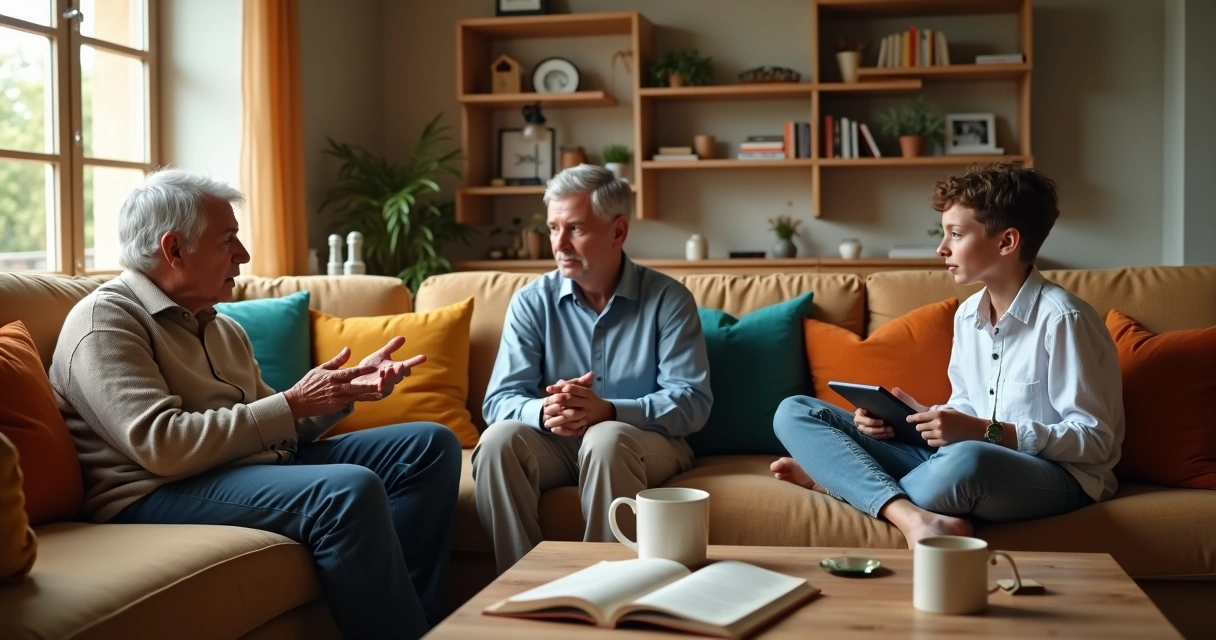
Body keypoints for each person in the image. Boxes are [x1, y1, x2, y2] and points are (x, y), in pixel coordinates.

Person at [50, 170, 460, 640]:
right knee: (347, 490)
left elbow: (274, 424)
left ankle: (419, 625)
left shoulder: (220, 325)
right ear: (174, 249)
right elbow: (163, 446)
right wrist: (293, 402)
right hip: (151, 492)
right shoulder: (106, 322)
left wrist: (337, 394)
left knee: (428, 446)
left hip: (235, 467)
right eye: (228, 240)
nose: (243, 254)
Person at [769, 162, 1124, 548]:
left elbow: (1095, 440)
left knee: (967, 461)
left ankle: (838, 480)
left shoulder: (1064, 319)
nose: (942, 248)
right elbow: (965, 407)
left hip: (1053, 476)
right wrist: (915, 417)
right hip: (955, 460)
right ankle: (911, 516)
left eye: (955, 234)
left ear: (1006, 242)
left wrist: (984, 432)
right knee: (795, 411)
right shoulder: (968, 314)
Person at [473, 164, 712, 574]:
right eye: (553, 228)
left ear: (618, 231)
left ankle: (605, 586)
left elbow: (692, 402)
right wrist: (544, 411)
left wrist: (610, 410)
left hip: (643, 443)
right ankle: (523, 585)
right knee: (497, 441)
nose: (559, 243)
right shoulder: (532, 302)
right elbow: (499, 401)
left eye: (575, 228)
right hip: (556, 444)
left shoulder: (668, 299)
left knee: (606, 437)